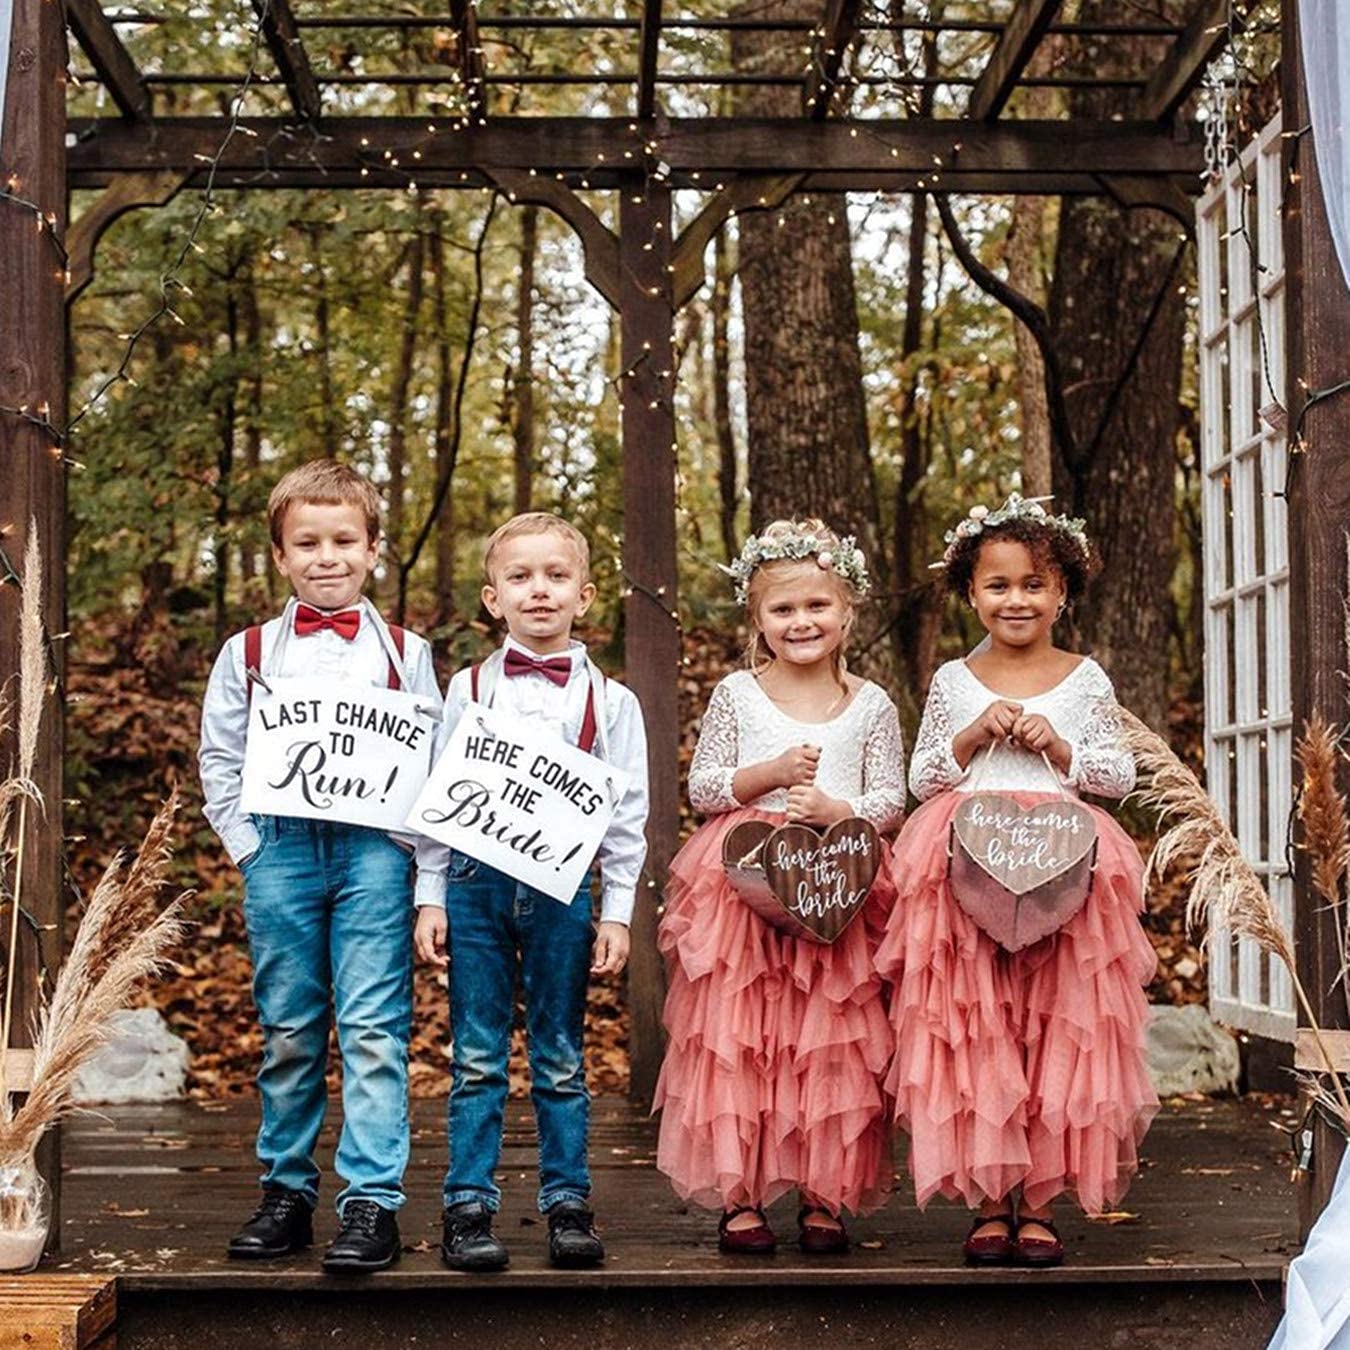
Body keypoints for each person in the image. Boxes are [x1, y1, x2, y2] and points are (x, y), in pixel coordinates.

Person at [878, 494, 1157, 1267]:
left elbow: (1116, 774)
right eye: (998, 585)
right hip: (966, 852)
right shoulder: (953, 678)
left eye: (1034, 584)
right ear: (971, 594)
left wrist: (1062, 748)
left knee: (1052, 1021)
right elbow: (922, 775)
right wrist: (971, 736)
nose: (1016, 600)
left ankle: (1039, 1201)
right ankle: (988, 1198)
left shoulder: (1085, 678)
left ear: (1062, 592)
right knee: (978, 1026)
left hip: (1065, 855)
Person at [199, 458, 442, 1272]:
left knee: (374, 1029)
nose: (326, 556)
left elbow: (433, 761)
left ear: (374, 548)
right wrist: (251, 847)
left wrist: (415, 858)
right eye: (307, 542)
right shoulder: (249, 651)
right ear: (280, 555)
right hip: (284, 850)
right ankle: (287, 1193)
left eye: (344, 539)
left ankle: (371, 1202)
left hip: (375, 854)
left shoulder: (407, 653)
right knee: (292, 1028)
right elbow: (219, 757)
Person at [654, 519, 905, 1255]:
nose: (801, 622)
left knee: (828, 1039)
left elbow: (891, 798)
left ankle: (825, 1191)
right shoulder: (738, 694)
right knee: (745, 1036)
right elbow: (704, 785)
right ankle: (742, 1194)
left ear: (847, 612)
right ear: (757, 620)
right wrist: (765, 778)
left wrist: (839, 809)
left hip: (838, 881)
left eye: (817, 607)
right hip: (747, 878)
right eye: (783, 610)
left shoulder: (873, 704)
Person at [413, 512, 649, 1271]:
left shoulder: (612, 703)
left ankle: (568, 1204)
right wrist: (432, 893)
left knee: (559, 1056)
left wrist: (616, 911)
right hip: (477, 889)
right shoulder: (469, 686)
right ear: (492, 597)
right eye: (520, 577)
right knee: (477, 1056)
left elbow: (629, 815)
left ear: (584, 594)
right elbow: (436, 797)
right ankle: (467, 1207)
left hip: (563, 895)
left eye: (555, 577)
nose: (538, 590)